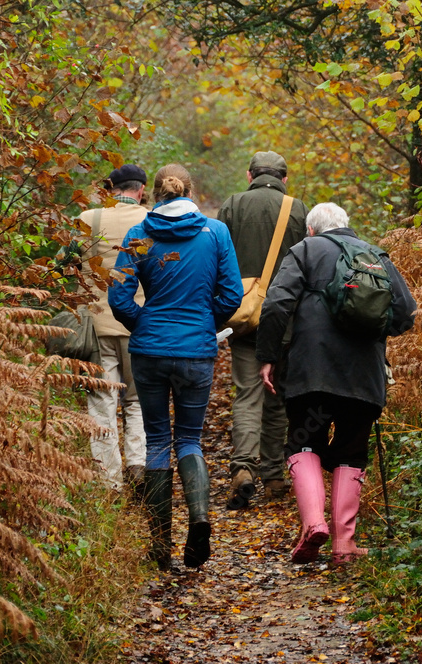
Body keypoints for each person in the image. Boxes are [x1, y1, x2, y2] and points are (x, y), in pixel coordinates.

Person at [256, 202, 417, 564]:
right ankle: (344, 545)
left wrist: (268, 356)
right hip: (363, 376)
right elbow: (406, 312)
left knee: (304, 442)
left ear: (311, 230)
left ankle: (314, 524)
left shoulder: (306, 250)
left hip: (312, 373)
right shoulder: (376, 256)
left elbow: (277, 304)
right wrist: (371, 333)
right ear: (347, 226)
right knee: (350, 451)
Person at [108, 164, 243, 570]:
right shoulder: (215, 232)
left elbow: (119, 297)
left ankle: (160, 544)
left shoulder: (140, 234)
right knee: (188, 439)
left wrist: (145, 325)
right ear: (190, 189)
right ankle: (199, 518)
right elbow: (232, 294)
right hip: (195, 352)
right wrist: (204, 325)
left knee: (155, 441)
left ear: (155, 192)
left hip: (149, 351)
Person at [218, 151, 308, 510]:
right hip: (286, 319)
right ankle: (273, 476)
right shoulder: (298, 209)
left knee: (247, 395)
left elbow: (217, 258)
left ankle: (243, 469)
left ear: (249, 175)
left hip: (243, 318)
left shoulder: (232, 206)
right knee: (278, 399)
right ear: (284, 179)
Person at [78, 164, 149, 491]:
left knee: (102, 404)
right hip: (139, 323)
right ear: (141, 189)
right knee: (138, 400)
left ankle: (109, 483)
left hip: (97, 326)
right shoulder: (152, 220)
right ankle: (138, 465)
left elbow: (69, 263)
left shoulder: (89, 219)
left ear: (111, 189)